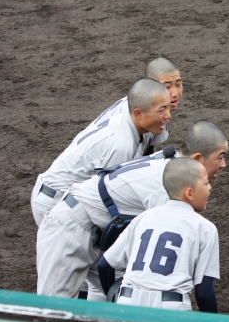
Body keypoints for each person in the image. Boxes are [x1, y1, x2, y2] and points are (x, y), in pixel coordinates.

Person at [36, 121, 228, 299]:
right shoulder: (166, 185)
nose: (224, 165)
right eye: (220, 157)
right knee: (52, 310)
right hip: (71, 229)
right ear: (197, 158)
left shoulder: (172, 167)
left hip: (92, 228)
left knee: (122, 293)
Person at [31, 78, 171, 225]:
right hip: (54, 203)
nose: (168, 115)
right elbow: (109, 198)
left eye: (168, 108)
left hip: (61, 196)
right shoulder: (120, 145)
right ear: (138, 113)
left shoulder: (127, 123)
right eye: (161, 110)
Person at [98, 157, 220, 312]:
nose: (210, 188)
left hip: (127, 302)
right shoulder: (204, 227)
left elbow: (104, 265)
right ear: (189, 193)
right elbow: (203, 292)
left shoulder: (143, 218)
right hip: (170, 309)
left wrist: (112, 296)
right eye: (206, 183)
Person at [90, 57, 182, 155]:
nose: (175, 93)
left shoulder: (155, 107)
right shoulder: (133, 115)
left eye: (178, 84)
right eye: (167, 87)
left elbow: (147, 148)